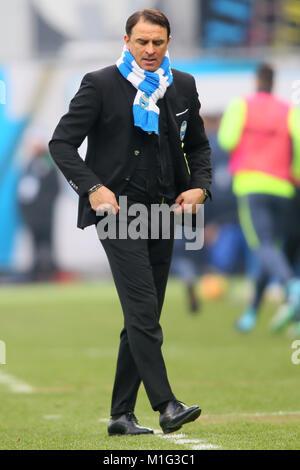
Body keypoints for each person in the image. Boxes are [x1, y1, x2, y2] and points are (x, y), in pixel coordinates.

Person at [49, 9, 212, 435]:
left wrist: (201, 187)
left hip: (162, 212)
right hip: (117, 213)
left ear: (168, 42)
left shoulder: (184, 87)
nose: (150, 50)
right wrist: (91, 187)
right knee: (143, 311)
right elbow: (61, 144)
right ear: (126, 41)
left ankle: (121, 414)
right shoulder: (100, 84)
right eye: (142, 41)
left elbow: (198, 147)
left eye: (158, 42)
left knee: (143, 315)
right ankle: (166, 404)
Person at [218, 63, 300, 334]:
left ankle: (293, 286)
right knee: (272, 250)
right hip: (284, 187)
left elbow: (227, 139)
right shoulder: (288, 110)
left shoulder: (241, 106)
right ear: (274, 83)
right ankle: (251, 315)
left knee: (264, 246)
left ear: (256, 81)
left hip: (252, 184)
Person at [18, 137, 60, 282]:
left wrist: (45, 206)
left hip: (45, 213)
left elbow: (54, 189)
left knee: (47, 241)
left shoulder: (48, 164)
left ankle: (49, 270)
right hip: (33, 213)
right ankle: (37, 271)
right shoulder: (29, 165)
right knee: (35, 242)